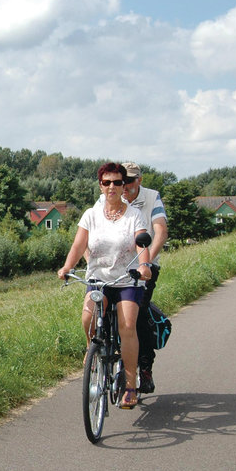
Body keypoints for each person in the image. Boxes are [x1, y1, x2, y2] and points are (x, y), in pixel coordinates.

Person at [59, 162, 152, 409]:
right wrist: (67, 267)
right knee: (88, 317)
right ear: (100, 186)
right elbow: (78, 246)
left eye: (117, 182)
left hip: (126, 279)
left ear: (124, 186)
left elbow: (142, 244)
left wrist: (144, 266)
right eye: (106, 182)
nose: (112, 187)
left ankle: (131, 386)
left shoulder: (134, 215)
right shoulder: (91, 215)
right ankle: (92, 347)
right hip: (99, 279)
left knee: (128, 325)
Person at [119, 162, 168, 394]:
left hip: (144, 266)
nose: (124, 186)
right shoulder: (111, 196)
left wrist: (146, 262)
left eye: (129, 181)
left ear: (139, 180)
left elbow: (160, 231)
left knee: (137, 313)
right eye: (122, 180)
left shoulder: (152, 198)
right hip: (115, 266)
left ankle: (145, 366)